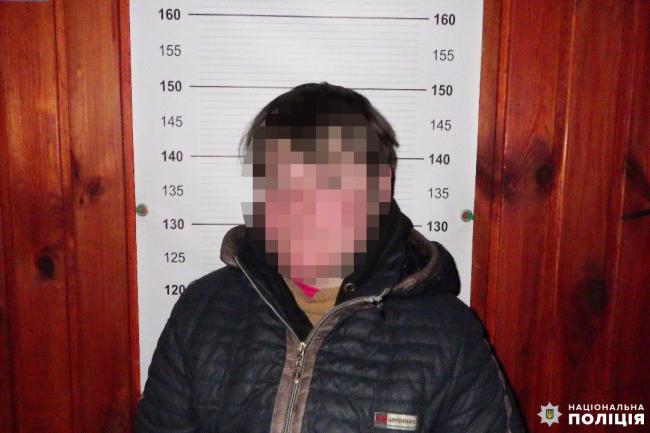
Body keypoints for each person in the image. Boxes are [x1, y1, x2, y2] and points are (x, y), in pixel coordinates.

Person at [134, 82, 527, 433]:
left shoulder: (449, 337)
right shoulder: (202, 311)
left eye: (329, 183)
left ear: (380, 189)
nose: (300, 209)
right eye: (280, 183)